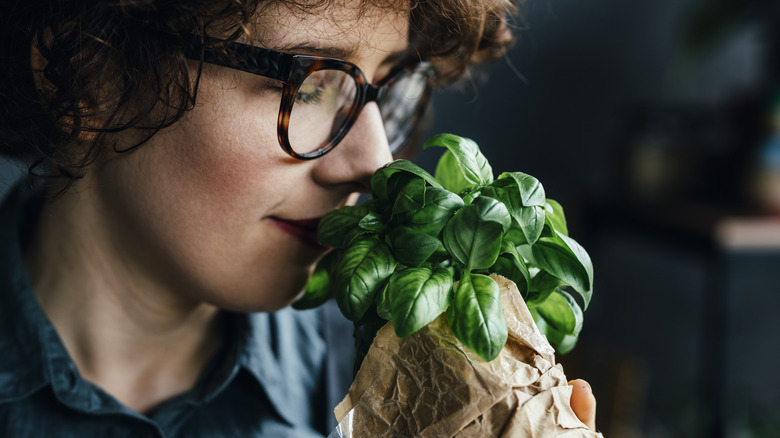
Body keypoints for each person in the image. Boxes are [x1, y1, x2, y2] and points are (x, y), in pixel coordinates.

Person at [0, 0, 598, 436]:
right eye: (306, 83)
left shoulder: (399, 384)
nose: (375, 163)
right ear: (85, 76)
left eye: (387, 86)